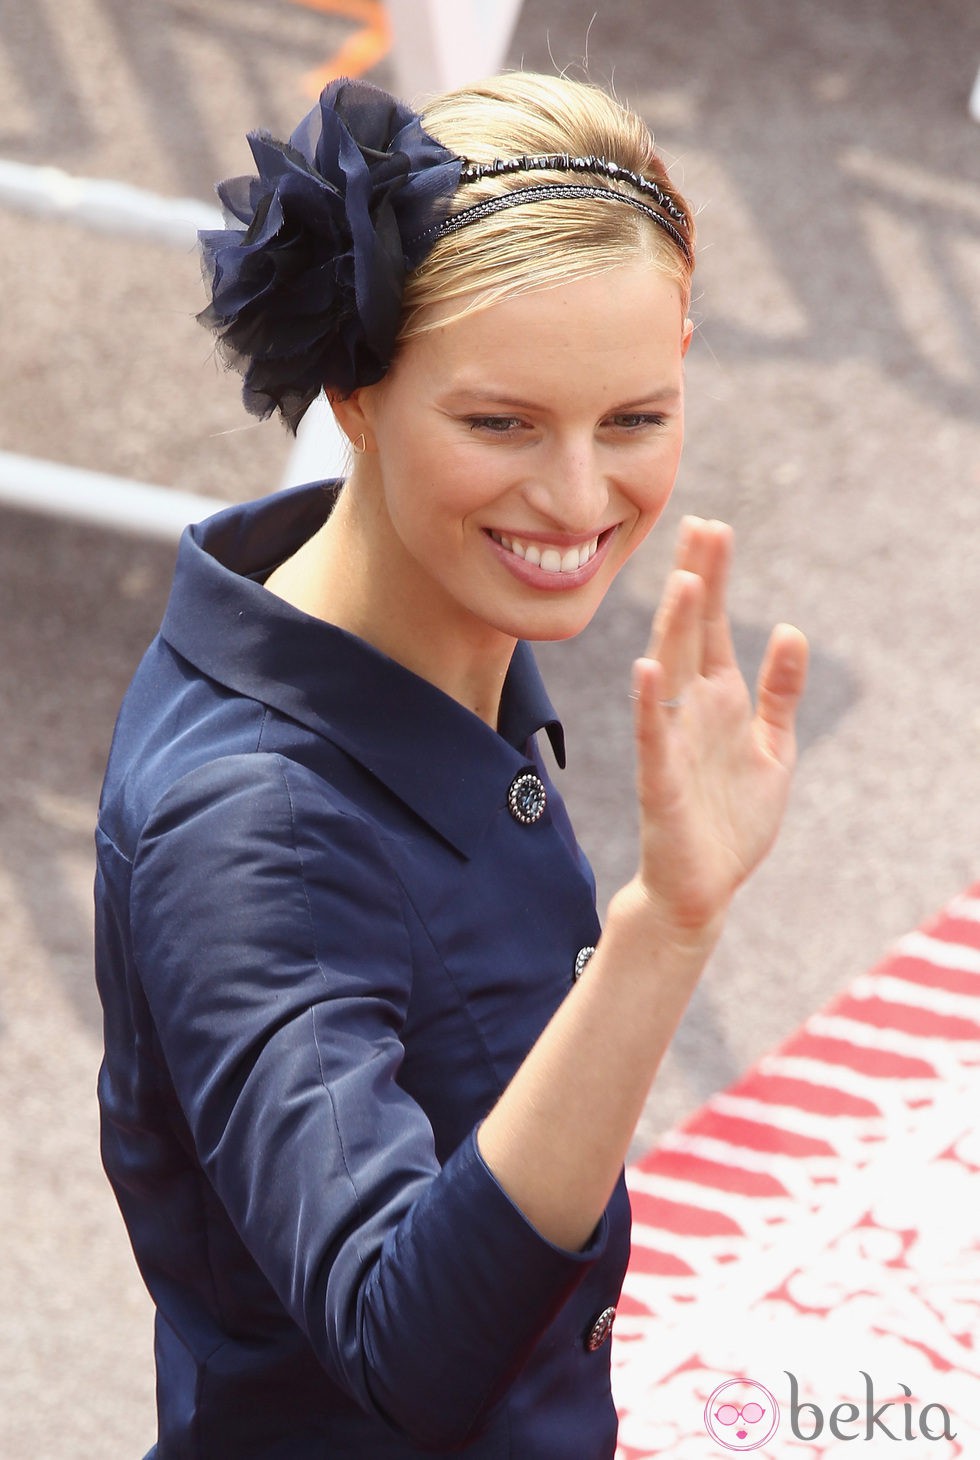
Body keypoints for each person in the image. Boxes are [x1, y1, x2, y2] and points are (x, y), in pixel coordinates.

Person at [94, 71, 808, 1458]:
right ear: (354, 391)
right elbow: (405, 1351)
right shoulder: (254, 831)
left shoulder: (434, 628)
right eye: (503, 424)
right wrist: (666, 930)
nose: (582, 498)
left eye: (637, 419)